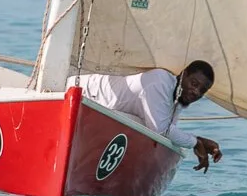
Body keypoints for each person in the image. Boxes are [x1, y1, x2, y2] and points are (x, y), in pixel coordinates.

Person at [73, 60, 223, 171]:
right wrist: (196, 143)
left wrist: (199, 141)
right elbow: (160, 131)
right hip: (83, 92)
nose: (196, 92)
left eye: (202, 90)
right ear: (183, 75)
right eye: (194, 84)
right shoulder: (161, 82)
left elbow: (167, 132)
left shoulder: (178, 97)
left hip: (101, 110)